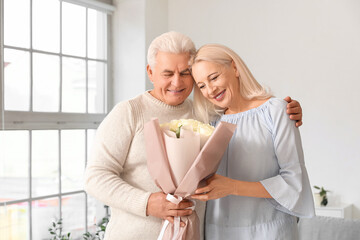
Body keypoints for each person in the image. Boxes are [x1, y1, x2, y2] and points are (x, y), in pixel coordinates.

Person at [84, 32, 303, 240]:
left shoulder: (206, 114)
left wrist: (285, 109)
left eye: (185, 74)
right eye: (168, 74)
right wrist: (147, 202)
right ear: (150, 72)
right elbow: (95, 177)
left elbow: (245, 113)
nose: (177, 83)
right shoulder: (129, 112)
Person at [190, 44, 315, 240]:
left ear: (235, 68)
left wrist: (232, 186)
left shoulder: (276, 111)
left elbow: (294, 182)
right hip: (218, 232)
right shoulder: (209, 123)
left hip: (270, 232)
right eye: (202, 86)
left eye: (214, 77)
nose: (210, 90)